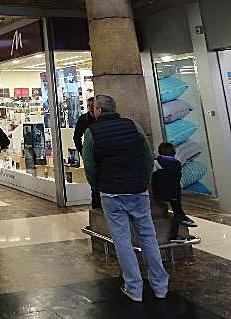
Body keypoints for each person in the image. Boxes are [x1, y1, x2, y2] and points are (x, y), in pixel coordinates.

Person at [82, 94, 169, 302]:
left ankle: (134, 288)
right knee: (148, 236)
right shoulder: (134, 126)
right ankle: (160, 286)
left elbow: (90, 166)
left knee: (122, 239)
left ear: (99, 111)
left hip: (111, 192)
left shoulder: (92, 132)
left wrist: (98, 186)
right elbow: (148, 156)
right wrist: (143, 179)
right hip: (138, 190)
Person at [152, 140, 197, 242]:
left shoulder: (156, 162)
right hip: (174, 193)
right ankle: (174, 235)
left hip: (160, 192)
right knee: (178, 213)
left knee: (178, 212)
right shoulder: (177, 164)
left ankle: (183, 220)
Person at [73, 97, 99, 206]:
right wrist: (83, 152)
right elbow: (76, 137)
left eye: (93, 106)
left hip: (101, 154)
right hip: (91, 155)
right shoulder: (84, 119)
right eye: (89, 106)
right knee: (94, 185)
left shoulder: (100, 119)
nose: (91, 108)